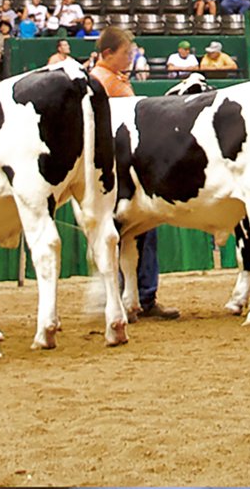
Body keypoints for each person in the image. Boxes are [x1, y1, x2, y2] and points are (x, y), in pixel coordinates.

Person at [90, 25, 178, 320]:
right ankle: (140, 295)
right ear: (107, 54)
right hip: (121, 170)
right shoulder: (102, 82)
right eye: (126, 53)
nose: (130, 58)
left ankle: (130, 296)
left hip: (123, 169)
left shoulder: (110, 79)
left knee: (127, 233)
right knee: (136, 230)